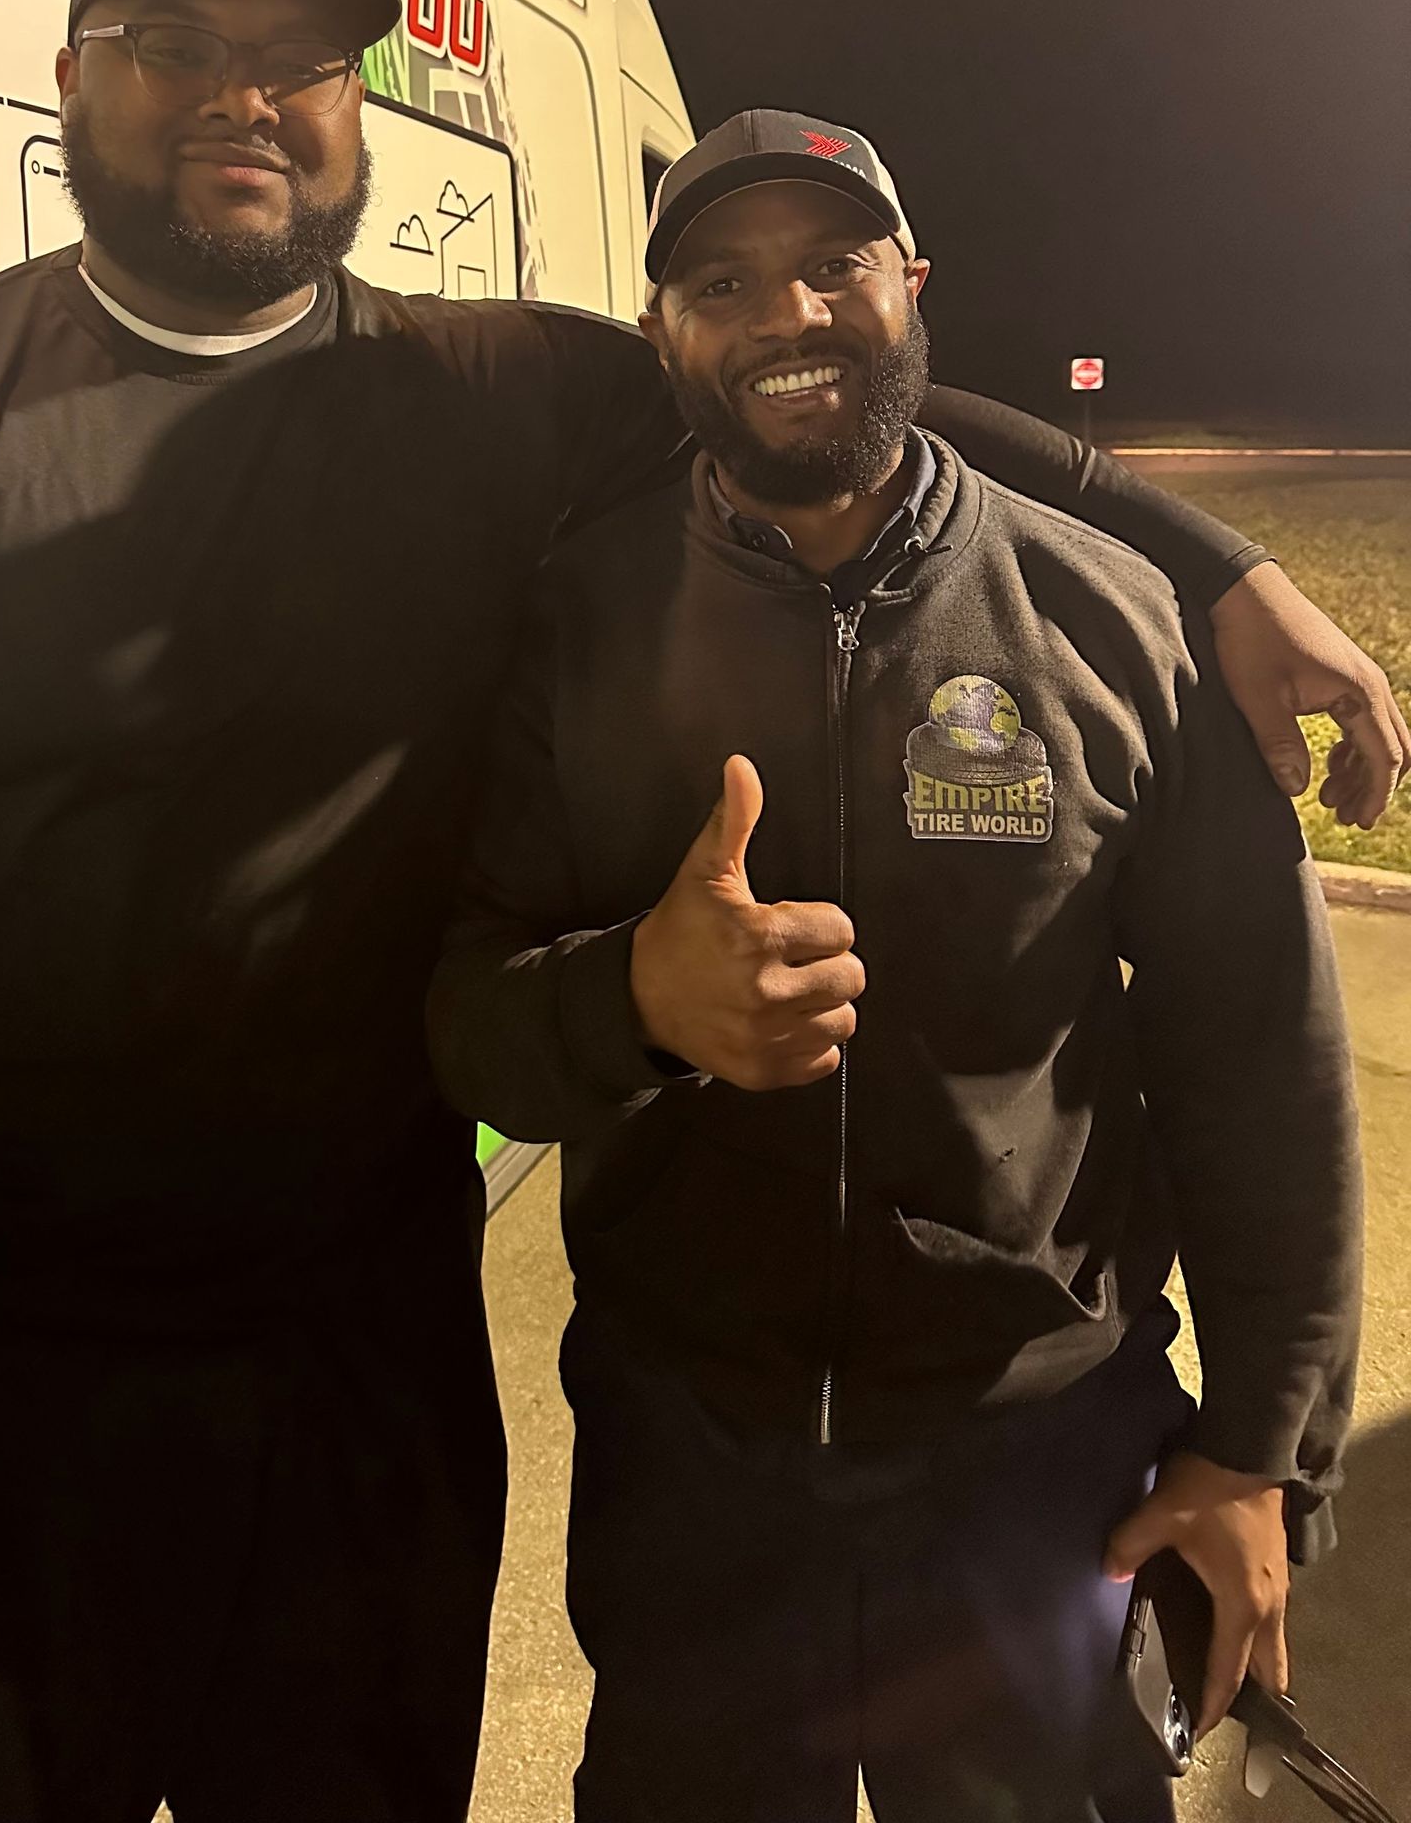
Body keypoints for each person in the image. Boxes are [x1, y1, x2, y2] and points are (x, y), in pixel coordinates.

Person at [0, 0, 1397, 1823]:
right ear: (68, 79)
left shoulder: (483, 398)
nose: (243, 96)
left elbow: (817, 388)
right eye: (175, 47)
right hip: (8, 1402)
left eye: (296, 57)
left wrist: (1200, 554)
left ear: (353, 105)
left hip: (369, 1378)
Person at [428, 108, 1368, 1823]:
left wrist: (1260, 1456)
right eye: (722, 282)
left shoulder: (1109, 621)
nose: (784, 314)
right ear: (664, 338)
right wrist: (629, 999)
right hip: (689, 1464)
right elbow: (465, 1028)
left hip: (1040, 1468)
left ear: (911, 284)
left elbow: (1263, 1070)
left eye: (830, 263)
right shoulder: (569, 627)